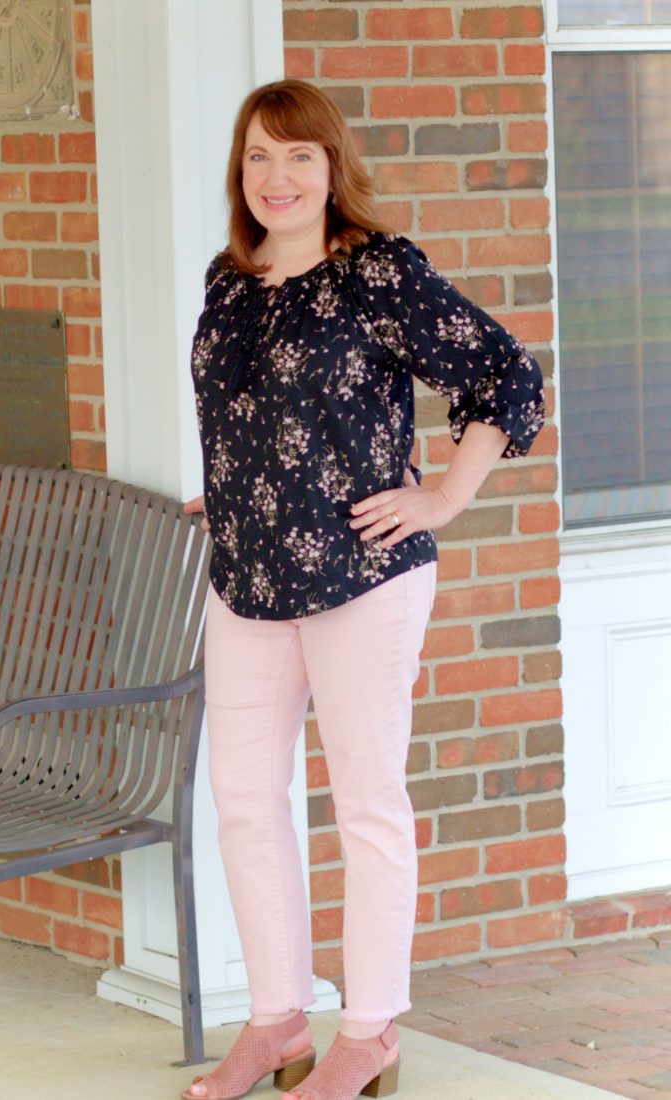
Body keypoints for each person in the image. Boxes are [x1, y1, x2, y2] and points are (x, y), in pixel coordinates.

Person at [181, 79, 544, 1100]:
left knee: (366, 800)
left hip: (361, 576)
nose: (277, 177)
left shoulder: (375, 274)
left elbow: (504, 375)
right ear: (238, 174)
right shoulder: (227, 280)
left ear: (332, 167)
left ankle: (369, 1029)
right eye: (257, 156)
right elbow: (248, 410)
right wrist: (236, 490)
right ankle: (276, 1019)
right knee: (245, 800)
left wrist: (443, 496)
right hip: (247, 575)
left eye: (298, 155)